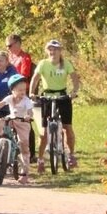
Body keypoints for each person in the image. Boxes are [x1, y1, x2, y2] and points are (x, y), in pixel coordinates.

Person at [30, 39, 81, 171]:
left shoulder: (66, 64)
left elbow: (75, 78)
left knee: (67, 127)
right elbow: (35, 79)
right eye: (50, 49)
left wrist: (74, 92)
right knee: (45, 131)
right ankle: (41, 159)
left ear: (60, 51)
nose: (53, 52)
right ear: (47, 51)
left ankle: (71, 155)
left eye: (56, 49)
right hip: (47, 96)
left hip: (62, 96)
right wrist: (31, 92)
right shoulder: (43, 64)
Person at [0, 73, 36, 184]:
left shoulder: (26, 100)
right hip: (11, 120)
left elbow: (30, 111)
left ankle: (24, 173)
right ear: (12, 90)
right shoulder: (9, 98)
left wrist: (28, 116)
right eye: (19, 90)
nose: (22, 92)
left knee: (24, 144)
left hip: (22, 122)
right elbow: (0, 104)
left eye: (24, 89)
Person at [6, 33, 36, 162]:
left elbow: (23, 76)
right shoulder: (10, 57)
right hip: (11, 92)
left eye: (10, 45)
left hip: (22, 92)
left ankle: (31, 152)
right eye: (6, 46)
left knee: (25, 120)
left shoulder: (24, 58)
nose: (8, 48)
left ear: (18, 44)